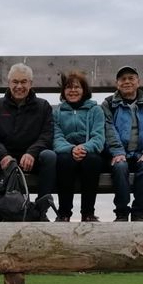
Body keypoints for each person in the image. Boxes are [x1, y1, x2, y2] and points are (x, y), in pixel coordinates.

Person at [0, 63, 56, 221]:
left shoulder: (43, 106)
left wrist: (32, 153)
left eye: (24, 82)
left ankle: (41, 212)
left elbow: (46, 135)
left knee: (50, 156)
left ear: (31, 84)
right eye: (15, 82)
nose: (19, 86)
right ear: (9, 83)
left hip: (32, 158)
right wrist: (3, 155)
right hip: (3, 158)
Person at [102, 66, 143, 221]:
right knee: (120, 166)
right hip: (118, 154)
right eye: (123, 79)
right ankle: (122, 212)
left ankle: (139, 212)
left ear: (138, 82)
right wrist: (117, 152)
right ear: (117, 84)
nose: (127, 82)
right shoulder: (109, 104)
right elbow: (107, 129)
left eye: (131, 78)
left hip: (142, 154)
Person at [53, 70, 104, 222]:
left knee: (92, 161)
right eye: (69, 87)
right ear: (63, 91)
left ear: (84, 90)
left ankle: (88, 213)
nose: (73, 91)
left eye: (77, 87)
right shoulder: (57, 113)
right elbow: (56, 137)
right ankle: (64, 213)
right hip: (67, 151)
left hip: (88, 151)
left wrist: (84, 148)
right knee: (64, 162)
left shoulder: (96, 110)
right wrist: (71, 149)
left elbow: (99, 137)